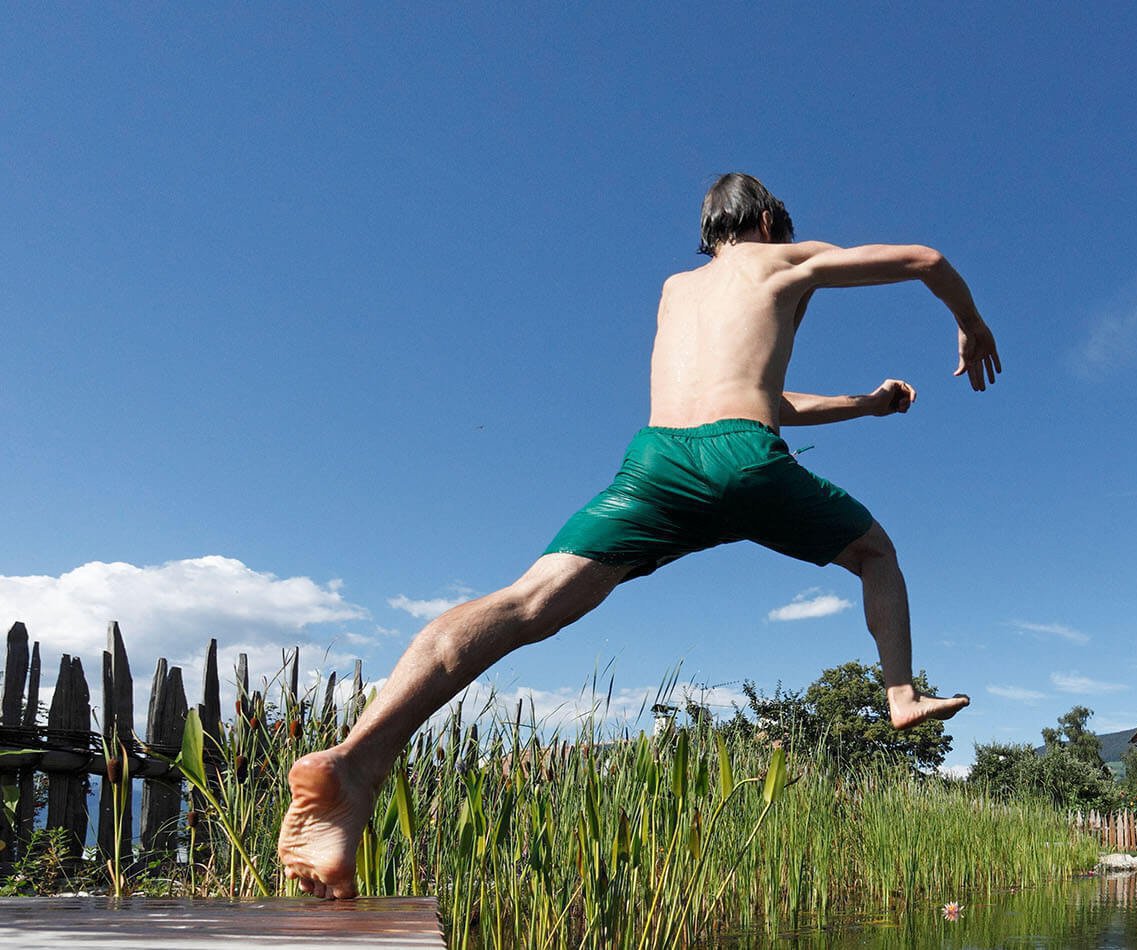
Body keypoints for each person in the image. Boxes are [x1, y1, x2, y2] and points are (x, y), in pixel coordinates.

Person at [277, 173, 1002, 899]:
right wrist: (970, 324)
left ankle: (356, 760)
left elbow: (767, 396)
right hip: (742, 456)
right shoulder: (784, 258)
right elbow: (925, 259)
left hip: (658, 460)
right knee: (877, 553)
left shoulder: (675, 291)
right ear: (772, 220)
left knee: (526, 602)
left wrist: (863, 406)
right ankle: (901, 694)